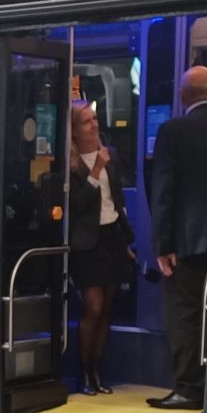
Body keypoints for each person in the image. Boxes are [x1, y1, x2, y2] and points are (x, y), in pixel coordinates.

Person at [148, 66, 207, 410]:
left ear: (183, 95)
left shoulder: (173, 131)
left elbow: (163, 190)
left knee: (185, 314)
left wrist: (163, 245)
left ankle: (189, 388)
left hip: (188, 242)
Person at [67, 101, 134, 395]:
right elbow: (78, 204)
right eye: (86, 121)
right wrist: (95, 170)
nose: (94, 125)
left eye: (95, 119)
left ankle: (97, 373)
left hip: (112, 236)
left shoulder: (109, 156)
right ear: (74, 130)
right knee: (93, 307)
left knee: (107, 307)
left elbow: (117, 199)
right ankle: (82, 373)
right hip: (86, 243)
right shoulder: (71, 164)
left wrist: (126, 242)